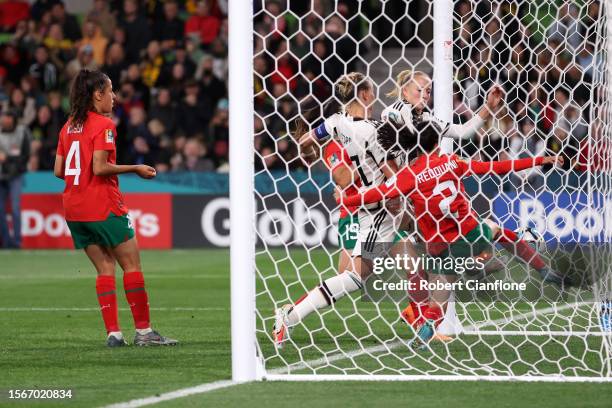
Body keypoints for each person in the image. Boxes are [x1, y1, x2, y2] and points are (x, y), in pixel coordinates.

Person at [339, 121, 570, 349]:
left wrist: (345, 199)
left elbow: (377, 194)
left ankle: (427, 327)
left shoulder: (409, 174)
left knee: (438, 303)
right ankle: (542, 268)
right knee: (495, 229)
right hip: (468, 234)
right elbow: (496, 168)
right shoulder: (452, 162)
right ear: (438, 142)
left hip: (438, 247)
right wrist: (541, 160)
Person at [273, 72, 411, 348]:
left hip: (375, 206)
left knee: (410, 259)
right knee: (354, 276)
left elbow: (306, 141)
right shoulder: (372, 130)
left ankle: (422, 317)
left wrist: (312, 147)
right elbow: (378, 172)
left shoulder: (336, 123)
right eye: (372, 89)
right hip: (373, 209)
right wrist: (393, 191)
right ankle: (289, 315)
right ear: (366, 94)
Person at [53, 69, 177, 347]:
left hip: (74, 209)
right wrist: (135, 168)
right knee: (131, 265)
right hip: (103, 206)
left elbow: (59, 170)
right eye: (111, 91)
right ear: (97, 94)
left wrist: (81, 176)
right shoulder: (104, 125)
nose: (115, 96)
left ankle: (114, 334)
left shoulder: (68, 125)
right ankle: (144, 333)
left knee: (104, 269)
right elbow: (99, 167)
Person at [0, 110, 30, 249]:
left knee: (15, 209)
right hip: (1, 176)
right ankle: (6, 242)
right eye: (3, 119)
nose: (5, 121)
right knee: (0, 210)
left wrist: (7, 159)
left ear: (13, 120)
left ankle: (17, 242)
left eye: (7, 119)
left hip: (16, 175)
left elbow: (25, 155)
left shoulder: (22, 132)